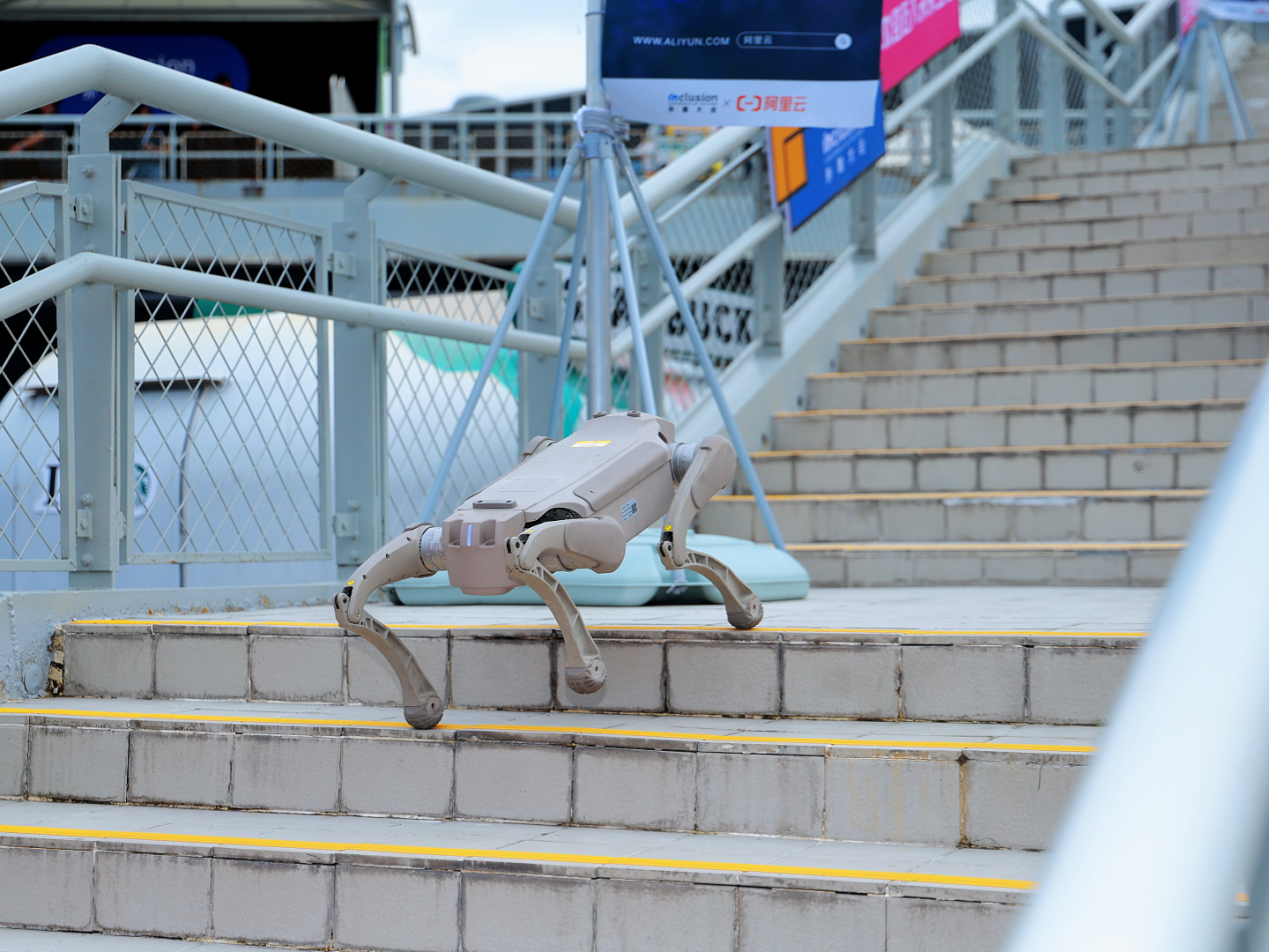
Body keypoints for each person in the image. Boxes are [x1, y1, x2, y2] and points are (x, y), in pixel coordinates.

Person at [6, 103, 63, 179]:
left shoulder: (55, 117)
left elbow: (42, 135)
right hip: (43, 163)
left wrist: (21, 145)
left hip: (53, 163)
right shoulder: (44, 118)